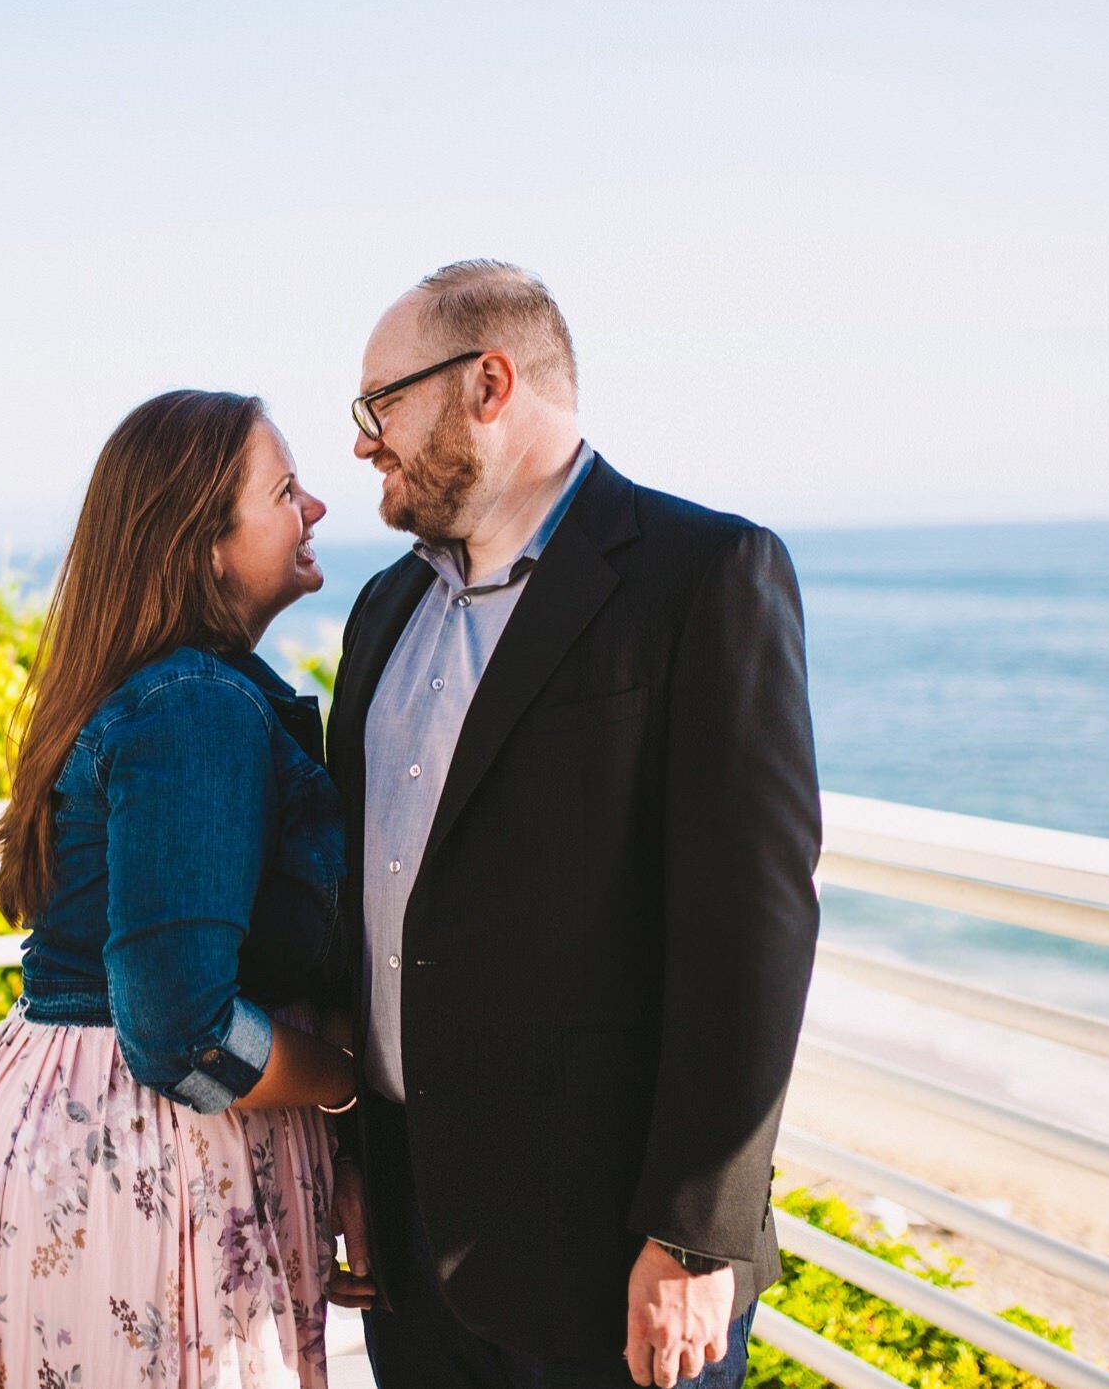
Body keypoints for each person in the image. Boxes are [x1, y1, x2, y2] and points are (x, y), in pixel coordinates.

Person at [324, 261, 823, 1389]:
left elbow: (753, 932)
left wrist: (698, 1233)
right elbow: (366, 908)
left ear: (487, 383)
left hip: (611, 1249)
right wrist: (352, 1154)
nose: (362, 442)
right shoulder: (383, 607)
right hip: (409, 1238)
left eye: (380, 405)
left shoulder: (706, 576)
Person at [0, 389, 360, 1389]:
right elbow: (186, 1032)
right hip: (141, 1168)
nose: (317, 508)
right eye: (285, 489)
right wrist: (352, 1088)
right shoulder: (194, 706)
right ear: (204, 545)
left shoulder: (168, 690)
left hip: (93, 1143)